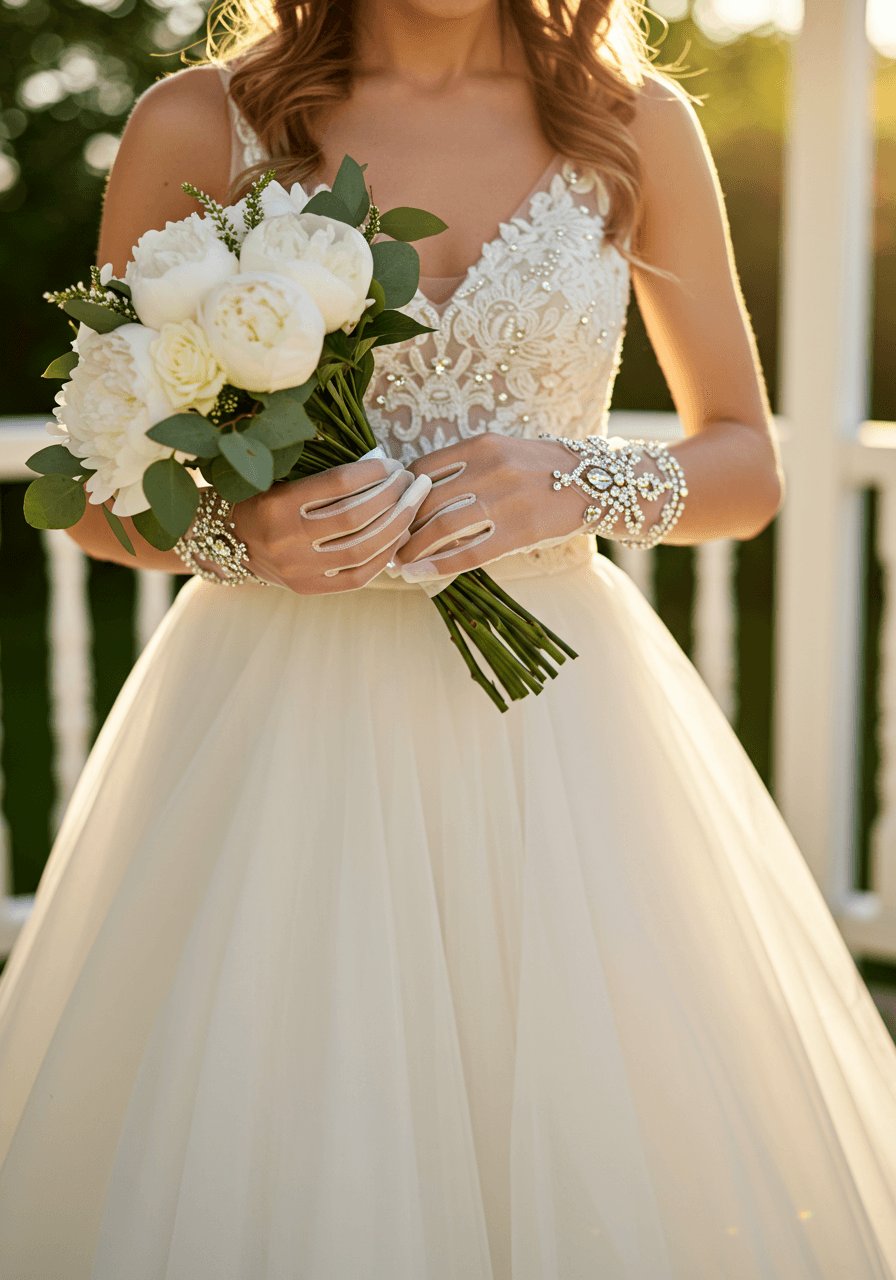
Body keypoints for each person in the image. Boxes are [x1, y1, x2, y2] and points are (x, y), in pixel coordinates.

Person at [2, 0, 896, 1272]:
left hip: (563, 727)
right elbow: (98, 477)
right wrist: (238, 537)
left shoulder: (635, 123)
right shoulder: (202, 123)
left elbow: (745, 466)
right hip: (273, 727)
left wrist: (581, 484)